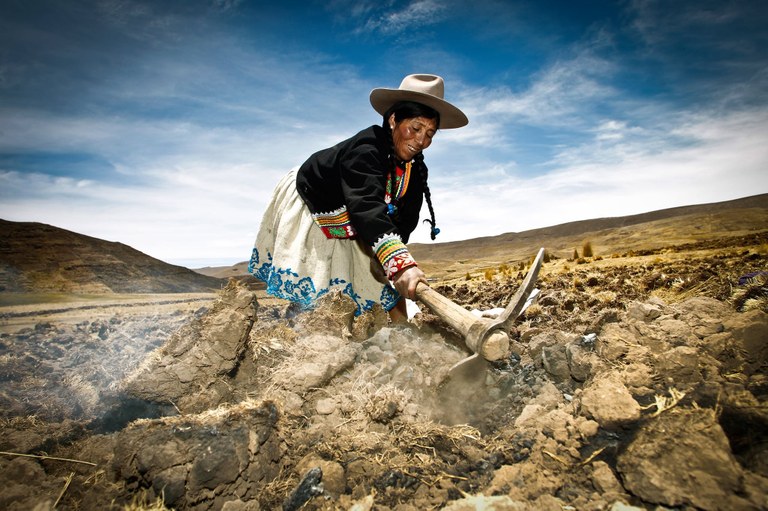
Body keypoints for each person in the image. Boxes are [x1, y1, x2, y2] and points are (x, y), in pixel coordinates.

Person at [248, 73, 468, 321]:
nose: (421, 141)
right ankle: (303, 324)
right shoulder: (366, 148)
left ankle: (403, 331)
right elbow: (366, 203)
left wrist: (394, 261)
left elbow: (406, 219)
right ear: (394, 120)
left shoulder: (415, 169)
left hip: (362, 217)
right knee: (319, 285)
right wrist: (398, 262)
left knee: (381, 279)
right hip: (318, 201)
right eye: (416, 128)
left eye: (430, 134)